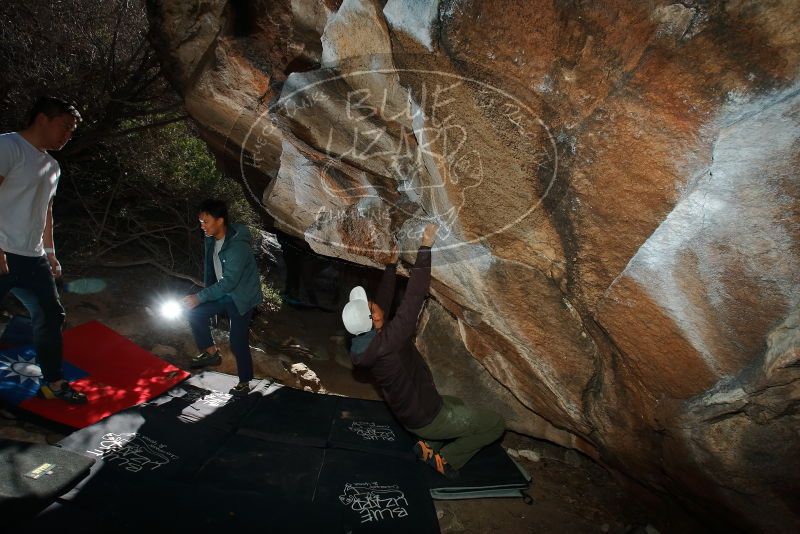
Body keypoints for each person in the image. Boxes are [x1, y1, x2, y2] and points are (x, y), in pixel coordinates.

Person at [341, 224, 505, 478]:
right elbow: (413, 298)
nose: (375, 303)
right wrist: (425, 247)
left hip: (410, 414)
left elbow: (383, 302)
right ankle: (447, 460)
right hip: (427, 418)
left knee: (457, 403)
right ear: (373, 317)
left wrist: (391, 267)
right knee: (494, 425)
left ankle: (426, 446)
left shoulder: (367, 342)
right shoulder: (390, 342)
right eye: (371, 306)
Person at [0, 96, 86, 404]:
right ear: (42, 119)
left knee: (51, 315)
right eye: (65, 127)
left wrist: (50, 251)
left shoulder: (52, 166)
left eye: (72, 131)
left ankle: (53, 382)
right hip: (2, 250)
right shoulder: (8, 146)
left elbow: (45, 210)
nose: (67, 135)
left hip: (32, 256)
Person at [182, 199, 262, 396]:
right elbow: (215, 271)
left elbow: (230, 282)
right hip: (223, 293)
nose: (202, 226)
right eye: (200, 222)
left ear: (220, 221)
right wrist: (205, 295)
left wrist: (200, 297)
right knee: (194, 313)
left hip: (241, 297)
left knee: (237, 340)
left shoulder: (238, 247)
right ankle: (211, 353)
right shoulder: (211, 238)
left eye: (206, 222)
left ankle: (244, 381)